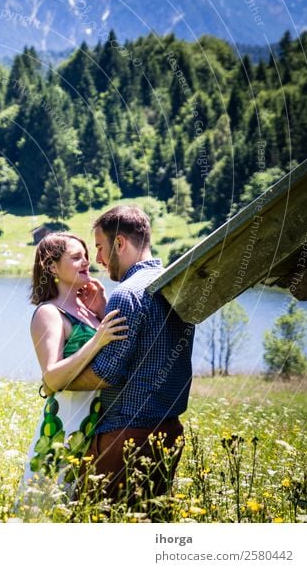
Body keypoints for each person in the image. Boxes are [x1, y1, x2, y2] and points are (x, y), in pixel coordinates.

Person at [54, 205, 195, 515]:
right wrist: (104, 311)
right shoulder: (176, 283)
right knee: (149, 520)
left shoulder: (127, 294)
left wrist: (58, 383)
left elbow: (107, 373)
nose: (99, 260)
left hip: (127, 436)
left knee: (96, 521)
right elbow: (148, 345)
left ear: (120, 243)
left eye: (101, 248)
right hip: (169, 432)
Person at [19, 232, 128, 508]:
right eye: (76, 257)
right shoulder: (49, 313)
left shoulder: (87, 309)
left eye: (87, 256)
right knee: (42, 514)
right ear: (52, 267)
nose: (86, 262)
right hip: (61, 433)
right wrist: (96, 339)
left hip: (94, 432)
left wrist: (101, 308)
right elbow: (52, 378)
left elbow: (117, 352)